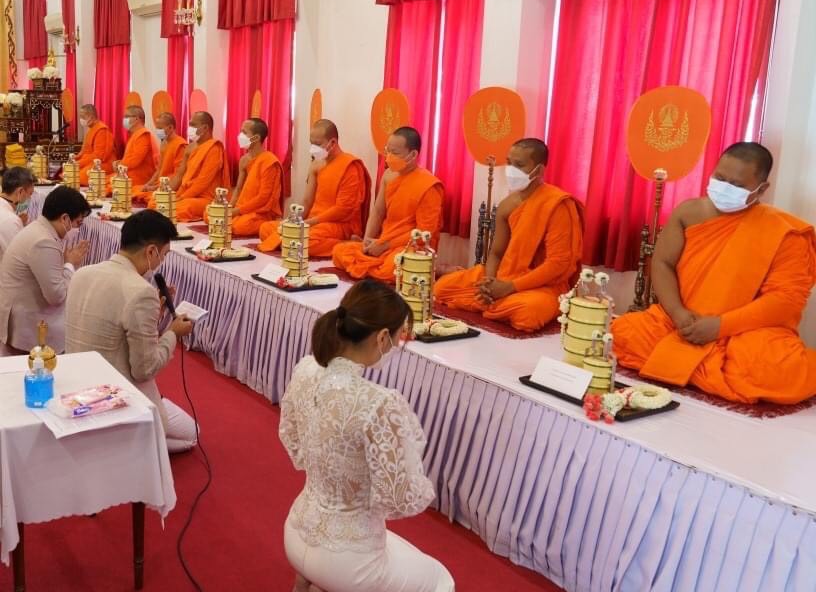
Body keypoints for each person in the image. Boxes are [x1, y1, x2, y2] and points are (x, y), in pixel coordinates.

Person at [280, 279, 456, 592]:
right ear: (382, 338)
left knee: (394, 547)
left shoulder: (306, 369)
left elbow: (293, 441)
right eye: (398, 338)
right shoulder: (380, 403)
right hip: (349, 562)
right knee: (442, 585)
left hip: (295, 531)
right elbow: (401, 498)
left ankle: (308, 581)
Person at [612, 141, 816, 404]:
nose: (725, 188)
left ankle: (690, 364)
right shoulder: (688, 212)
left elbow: (784, 302)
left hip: (740, 332)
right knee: (623, 332)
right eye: (720, 178)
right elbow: (662, 263)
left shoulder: (786, 234)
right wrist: (678, 312)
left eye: (737, 185)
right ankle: (711, 371)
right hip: (680, 322)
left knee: (777, 369)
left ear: (761, 189)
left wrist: (720, 326)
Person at [65, 210, 197, 452]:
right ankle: (132, 447)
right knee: (191, 434)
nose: (161, 262)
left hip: (74, 385)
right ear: (151, 251)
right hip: (113, 394)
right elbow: (144, 369)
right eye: (164, 255)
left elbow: (112, 326)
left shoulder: (82, 273)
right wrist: (173, 333)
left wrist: (153, 316)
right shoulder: (140, 291)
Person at [435, 138, 584, 332]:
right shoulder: (508, 204)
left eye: (519, 165)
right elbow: (496, 253)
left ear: (538, 170)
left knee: (528, 313)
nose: (511, 170)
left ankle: (496, 303)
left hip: (543, 285)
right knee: (442, 288)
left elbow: (558, 264)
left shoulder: (557, 205)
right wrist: (489, 283)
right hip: (504, 275)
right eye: (509, 163)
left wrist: (510, 287)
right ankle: (494, 302)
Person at [332, 127, 443, 281]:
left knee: (392, 268)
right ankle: (374, 265)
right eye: (387, 151)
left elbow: (424, 233)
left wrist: (385, 245)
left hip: (410, 247)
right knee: (339, 251)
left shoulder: (429, 186)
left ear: (413, 155)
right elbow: (378, 212)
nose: (389, 157)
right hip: (383, 242)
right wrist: (367, 241)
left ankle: (430, 269)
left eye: (395, 153)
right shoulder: (388, 175)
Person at [258, 119, 371, 256]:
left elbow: (343, 210)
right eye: (311, 143)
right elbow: (307, 201)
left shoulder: (350, 167)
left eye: (317, 144)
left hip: (339, 224)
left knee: (301, 241)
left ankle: (346, 244)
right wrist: (294, 221)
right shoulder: (316, 165)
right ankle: (289, 242)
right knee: (266, 228)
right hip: (314, 222)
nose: (313, 148)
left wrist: (310, 222)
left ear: (332, 143)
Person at [0, 186, 90, 353]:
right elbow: (56, 296)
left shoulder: (38, 229)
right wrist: (70, 265)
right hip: (28, 327)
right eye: (78, 223)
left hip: (20, 315)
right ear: (65, 218)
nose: (78, 230)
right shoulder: (43, 241)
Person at [203, 117, 282, 237]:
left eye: (244, 132)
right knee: (210, 214)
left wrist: (236, 211)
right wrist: (229, 208)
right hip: (242, 208)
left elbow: (263, 198)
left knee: (240, 226)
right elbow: (238, 189)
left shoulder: (269, 162)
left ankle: (263, 223)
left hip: (260, 212)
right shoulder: (244, 160)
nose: (240, 135)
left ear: (256, 138)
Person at [151, 111, 229, 221]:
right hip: (185, 192)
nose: (189, 128)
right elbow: (179, 175)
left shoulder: (214, 148)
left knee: (180, 208)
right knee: (155, 202)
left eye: (193, 125)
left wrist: (182, 197)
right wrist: (166, 193)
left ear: (205, 128)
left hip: (204, 198)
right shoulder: (190, 147)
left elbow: (202, 182)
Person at [132, 112, 188, 204]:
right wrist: (148, 184)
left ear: (170, 127)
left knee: (152, 199)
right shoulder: (164, 143)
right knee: (135, 190)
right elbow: (159, 169)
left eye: (160, 128)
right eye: (157, 128)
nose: (158, 131)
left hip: (170, 186)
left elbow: (178, 176)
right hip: (160, 183)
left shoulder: (180, 145)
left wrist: (154, 188)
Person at [109, 105, 159, 194]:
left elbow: (135, 160)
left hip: (140, 177)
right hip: (130, 173)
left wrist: (119, 164)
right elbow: (130, 158)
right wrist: (119, 163)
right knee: (106, 181)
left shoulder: (143, 135)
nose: (124, 119)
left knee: (110, 184)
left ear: (136, 119)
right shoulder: (136, 134)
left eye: (127, 116)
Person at [0, 166, 35, 258]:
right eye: (30, 194)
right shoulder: (10, 220)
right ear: (20, 192)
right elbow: (20, 258)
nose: (29, 198)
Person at [76, 104, 115, 185]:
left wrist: (80, 163)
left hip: (102, 163)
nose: (81, 119)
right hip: (90, 162)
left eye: (83, 116)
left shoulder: (101, 130)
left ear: (91, 117)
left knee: (78, 176)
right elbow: (84, 151)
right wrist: (75, 159)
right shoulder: (91, 130)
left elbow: (100, 156)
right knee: (69, 170)